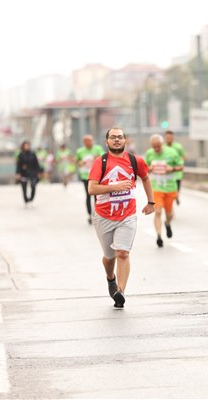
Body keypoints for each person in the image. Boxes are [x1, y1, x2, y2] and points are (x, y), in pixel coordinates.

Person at [88, 127, 155, 309]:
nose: (116, 140)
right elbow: (92, 189)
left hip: (127, 216)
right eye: (113, 137)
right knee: (109, 257)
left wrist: (151, 202)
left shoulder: (135, 160)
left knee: (123, 253)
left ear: (125, 140)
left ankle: (120, 292)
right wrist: (114, 187)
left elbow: (146, 178)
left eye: (120, 137)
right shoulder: (100, 162)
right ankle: (111, 278)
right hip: (103, 216)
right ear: (107, 141)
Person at [144, 134, 184, 248]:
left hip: (170, 188)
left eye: (158, 146)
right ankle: (159, 236)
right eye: (154, 146)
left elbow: (181, 166)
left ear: (162, 144)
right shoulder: (149, 153)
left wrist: (172, 169)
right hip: (156, 188)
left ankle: (167, 223)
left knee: (169, 214)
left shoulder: (172, 152)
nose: (156, 148)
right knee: (157, 212)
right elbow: (145, 168)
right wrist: (149, 169)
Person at [76, 134, 105, 224]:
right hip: (85, 176)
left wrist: (97, 157)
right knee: (88, 195)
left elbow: (104, 158)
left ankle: (97, 214)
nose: (88, 143)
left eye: (90, 141)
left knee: (97, 196)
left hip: (97, 175)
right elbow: (77, 162)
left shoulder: (98, 148)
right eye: (86, 141)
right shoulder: (80, 151)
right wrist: (81, 162)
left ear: (92, 141)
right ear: (84, 142)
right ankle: (89, 215)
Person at [16, 141, 42, 206]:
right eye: (25, 146)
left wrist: (38, 172)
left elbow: (36, 164)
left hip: (32, 172)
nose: (27, 147)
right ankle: (26, 199)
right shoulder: (21, 155)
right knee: (24, 187)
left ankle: (31, 198)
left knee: (33, 185)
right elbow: (18, 165)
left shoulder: (32, 154)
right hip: (24, 173)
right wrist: (18, 173)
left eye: (28, 145)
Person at [164, 130, 186, 205]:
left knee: (176, 187)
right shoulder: (163, 147)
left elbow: (184, 157)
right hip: (167, 173)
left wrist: (179, 163)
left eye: (170, 137)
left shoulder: (178, 147)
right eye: (167, 138)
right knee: (168, 189)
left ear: (173, 138)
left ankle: (176, 196)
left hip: (177, 172)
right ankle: (172, 198)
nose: (169, 139)